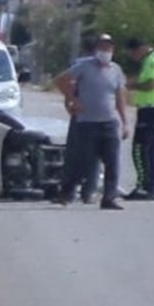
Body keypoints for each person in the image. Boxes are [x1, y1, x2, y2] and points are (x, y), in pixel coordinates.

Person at [54, 34, 130, 211]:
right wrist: (72, 99)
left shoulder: (116, 70)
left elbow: (120, 97)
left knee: (112, 162)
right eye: (102, 48)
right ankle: (67, 192)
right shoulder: (85, 66)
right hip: (87, 123)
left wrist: (125, 122)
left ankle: (109, 198)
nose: (106, 52)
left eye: (109, 48)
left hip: (109, 123)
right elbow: (61, 80)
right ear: (97, 50)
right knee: (84, 161)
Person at [124, 37, 154, 202]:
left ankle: (143, 186)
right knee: (150, 151)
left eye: (134, 53)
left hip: (151, 109)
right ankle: (149, 186)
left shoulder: (153, 60)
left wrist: (131, 86)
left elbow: (151, 84)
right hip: (152, 108)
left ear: (141, 48)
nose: (134, 57)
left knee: (140, 149)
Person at [59, 36, 101, 202]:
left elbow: (69, 84)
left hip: (80, 113)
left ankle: (68, 192)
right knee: (94, 155)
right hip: (98, 115)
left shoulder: (79, 64)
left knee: (74, 154)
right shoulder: (103, 66)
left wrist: (69, 103)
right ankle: (88, 191)